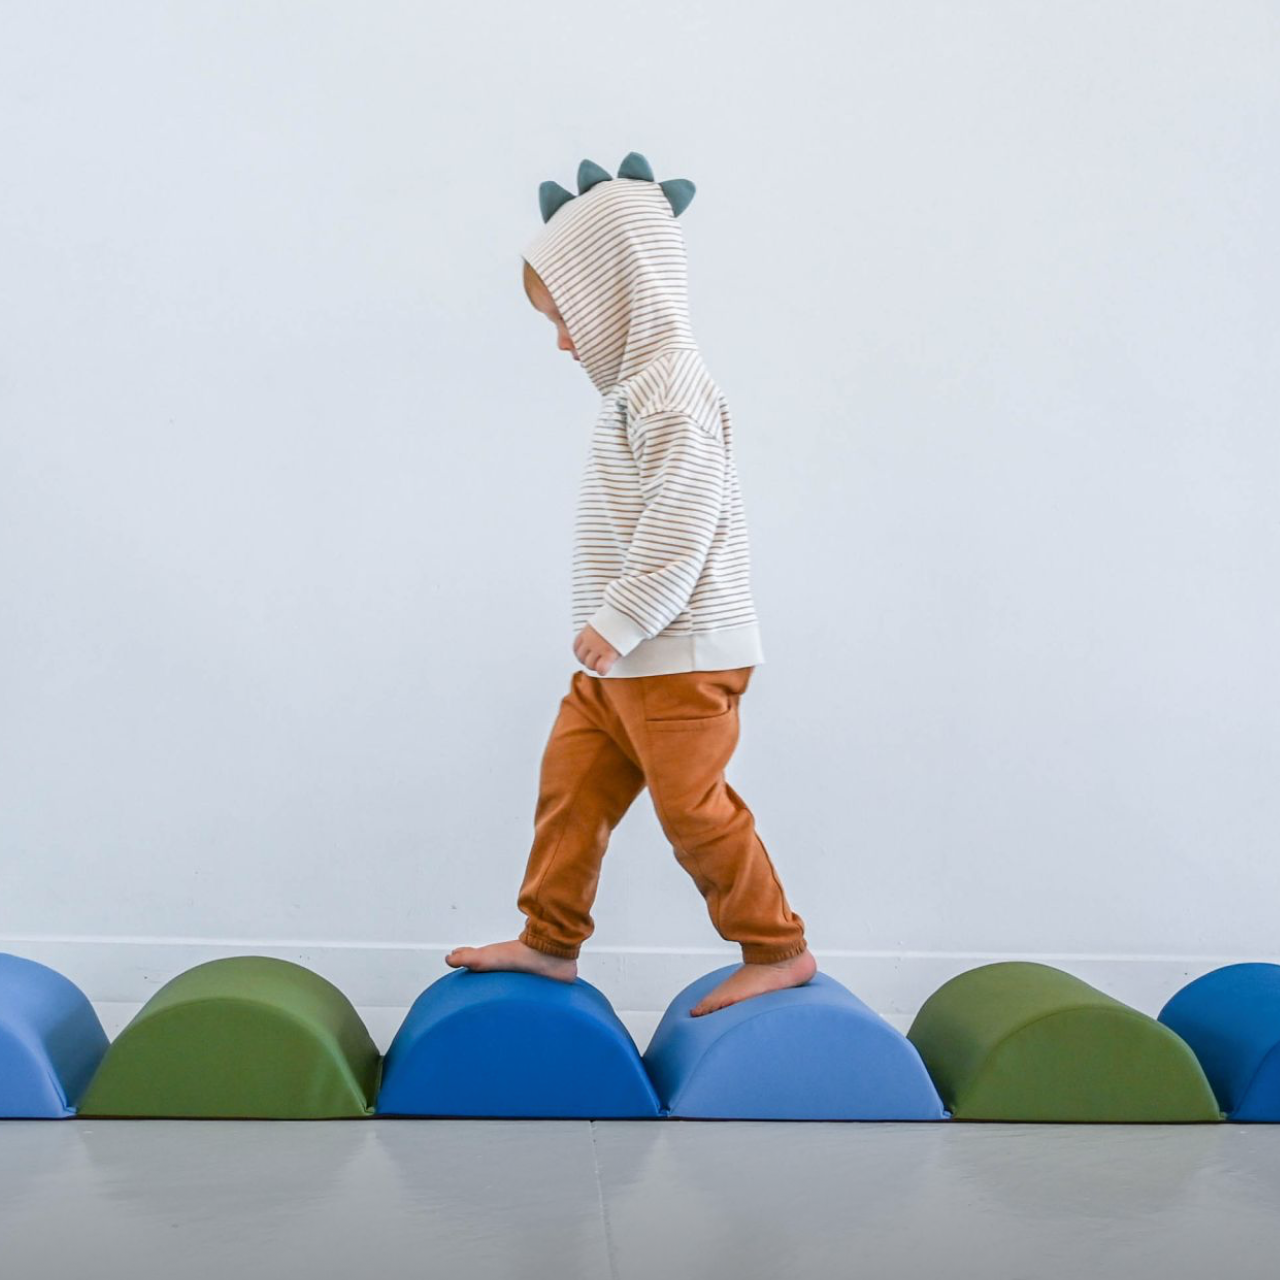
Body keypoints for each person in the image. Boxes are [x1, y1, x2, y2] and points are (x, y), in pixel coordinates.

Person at [446, 151, 815, 1016]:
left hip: (676, 656)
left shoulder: (672, 393)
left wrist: (619, 619)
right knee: (571, 788)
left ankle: (777, 948)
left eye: (566, 317)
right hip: (627, 662)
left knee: (694, 812)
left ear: (618, 293)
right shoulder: (637, 391)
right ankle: (548, 940)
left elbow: (681, 523)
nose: (563, 341)